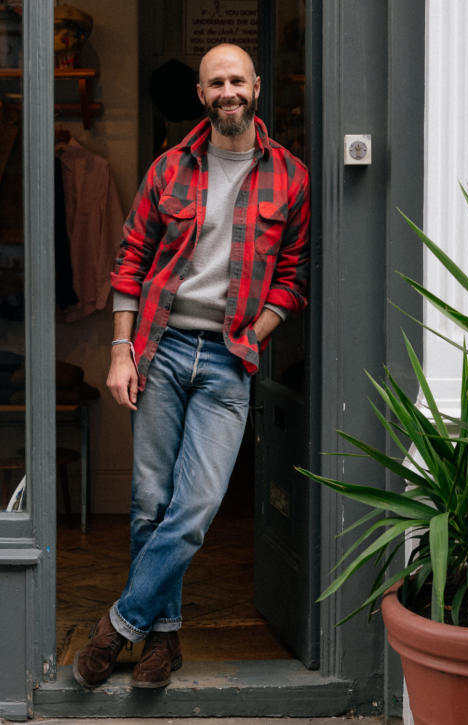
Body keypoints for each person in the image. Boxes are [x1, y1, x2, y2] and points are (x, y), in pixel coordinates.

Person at [73, 43, 310, 690]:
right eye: (216, 83)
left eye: (237, 80)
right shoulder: (168, 170)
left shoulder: (291, 176)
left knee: (196, 506)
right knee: (150, 499)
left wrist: (250, 334)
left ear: (256, 86)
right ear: (202, 95)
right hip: (163, 347)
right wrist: (121, 350)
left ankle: (119, 624)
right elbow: (129, 263)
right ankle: (161, 639)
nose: (228, 91)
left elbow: (290, 279)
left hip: (228, 360)